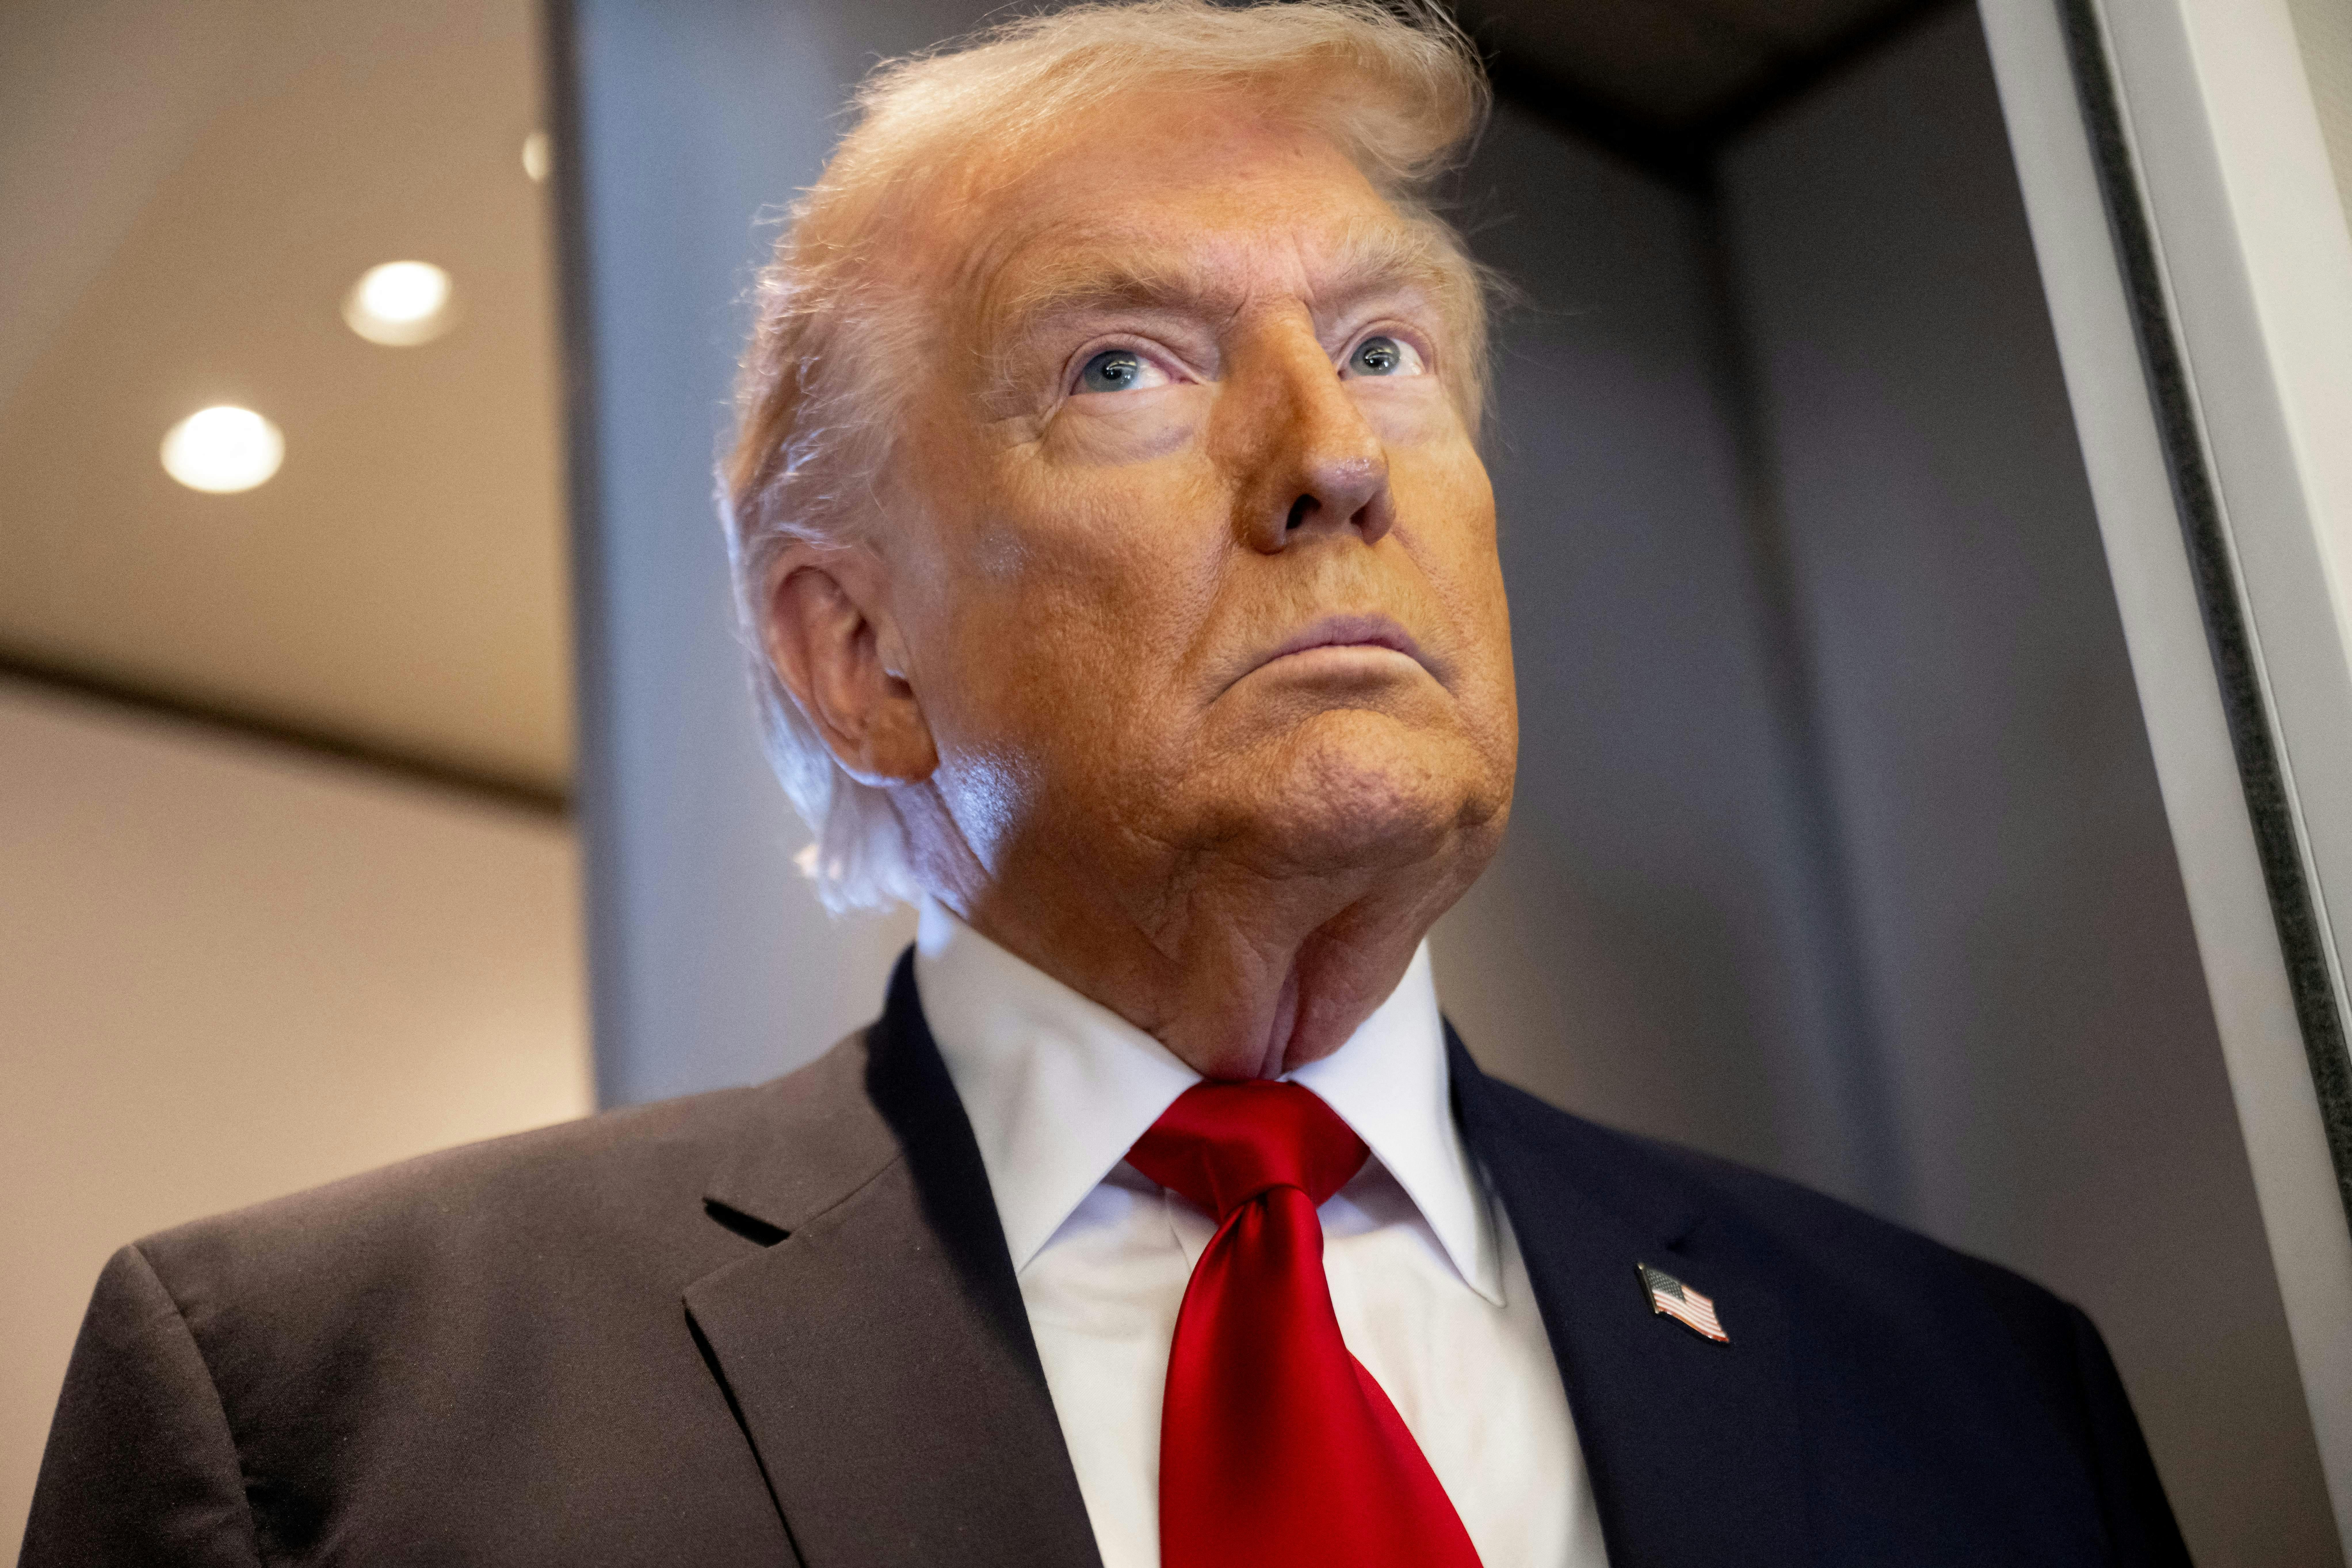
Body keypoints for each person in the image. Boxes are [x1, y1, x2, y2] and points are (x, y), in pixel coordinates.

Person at [21, 3, 2190, 1564]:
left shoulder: (1981, 1398)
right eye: (1124, 366)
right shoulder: (326, 1417)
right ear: (859, 654)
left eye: (1384, 350)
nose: (1332, 457)